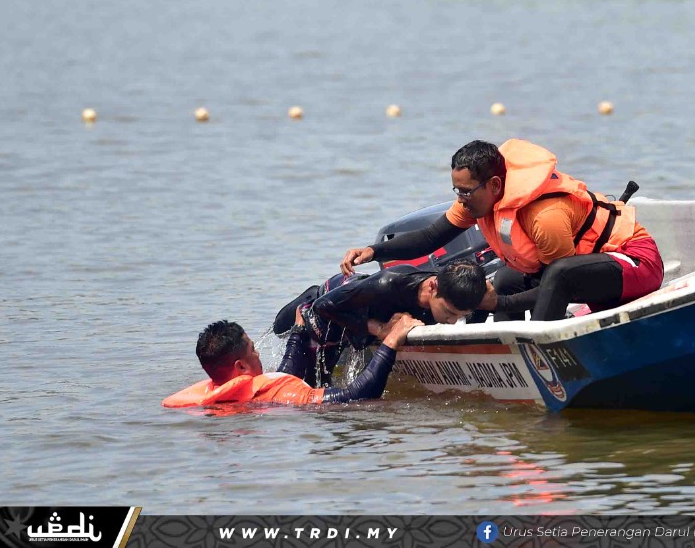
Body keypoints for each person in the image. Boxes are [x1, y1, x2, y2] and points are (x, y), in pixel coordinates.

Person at [340, 139, 663, 322]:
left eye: (467, 192)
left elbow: (559, 283)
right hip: (585, 270)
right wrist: (374, 251)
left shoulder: (544, 217)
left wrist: (497, 305)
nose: (461, 200)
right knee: (507, 278)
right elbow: (430, 238)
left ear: (495, 185)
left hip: (633, 262)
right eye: (457, 191)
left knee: (557, 275)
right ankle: (509, 356)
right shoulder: (479, 203)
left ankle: (540, 355)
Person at [271, 261, 487, 386]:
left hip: (358, 313)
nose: (452, 322)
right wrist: (379, 329)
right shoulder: (391, 283)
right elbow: (323, 305)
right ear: (433, 287)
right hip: (325, 306)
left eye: (460, 316)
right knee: (311, 388)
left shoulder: (454, 295)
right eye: (449, 313)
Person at [162, 309, 422, 408]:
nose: (258, 352)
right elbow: (357, 394)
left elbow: (283, 378)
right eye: (252, 349)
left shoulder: (219, 395)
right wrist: (391, 342)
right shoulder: (280, 399)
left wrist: (299, 333)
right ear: (240, 366)